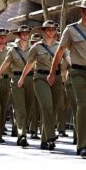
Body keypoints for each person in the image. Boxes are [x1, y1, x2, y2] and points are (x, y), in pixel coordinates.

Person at [48, 0, 86, 157]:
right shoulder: (71, 30)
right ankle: (82, 145)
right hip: (77, 72)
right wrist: (53, 72)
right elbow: (59, 52)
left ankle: (83, 138)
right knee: (82, 105)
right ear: (82, 11)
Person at [18, 20, 68, 150]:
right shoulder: (36, 47)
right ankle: (51, 137)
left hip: (56, 78)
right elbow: (29, 64)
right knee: (47, 106)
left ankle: (44, 140)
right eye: (48, 30)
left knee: (53, 109)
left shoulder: (60, 46)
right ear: (43, 31)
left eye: (53, 30)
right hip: (40, 78)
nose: (51, 32)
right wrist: (22, 78)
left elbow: (68, 59)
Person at [0, 25, 35, 147]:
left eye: (27, 33)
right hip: (17, 79)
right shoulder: (13, 50)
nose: (25, 35)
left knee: (29, 108)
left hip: (31, 78)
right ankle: (21, 134)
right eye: (22, 33)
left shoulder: (34, 48)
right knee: (20, 108)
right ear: (19, 35)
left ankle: (23, 128)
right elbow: (6, 62)